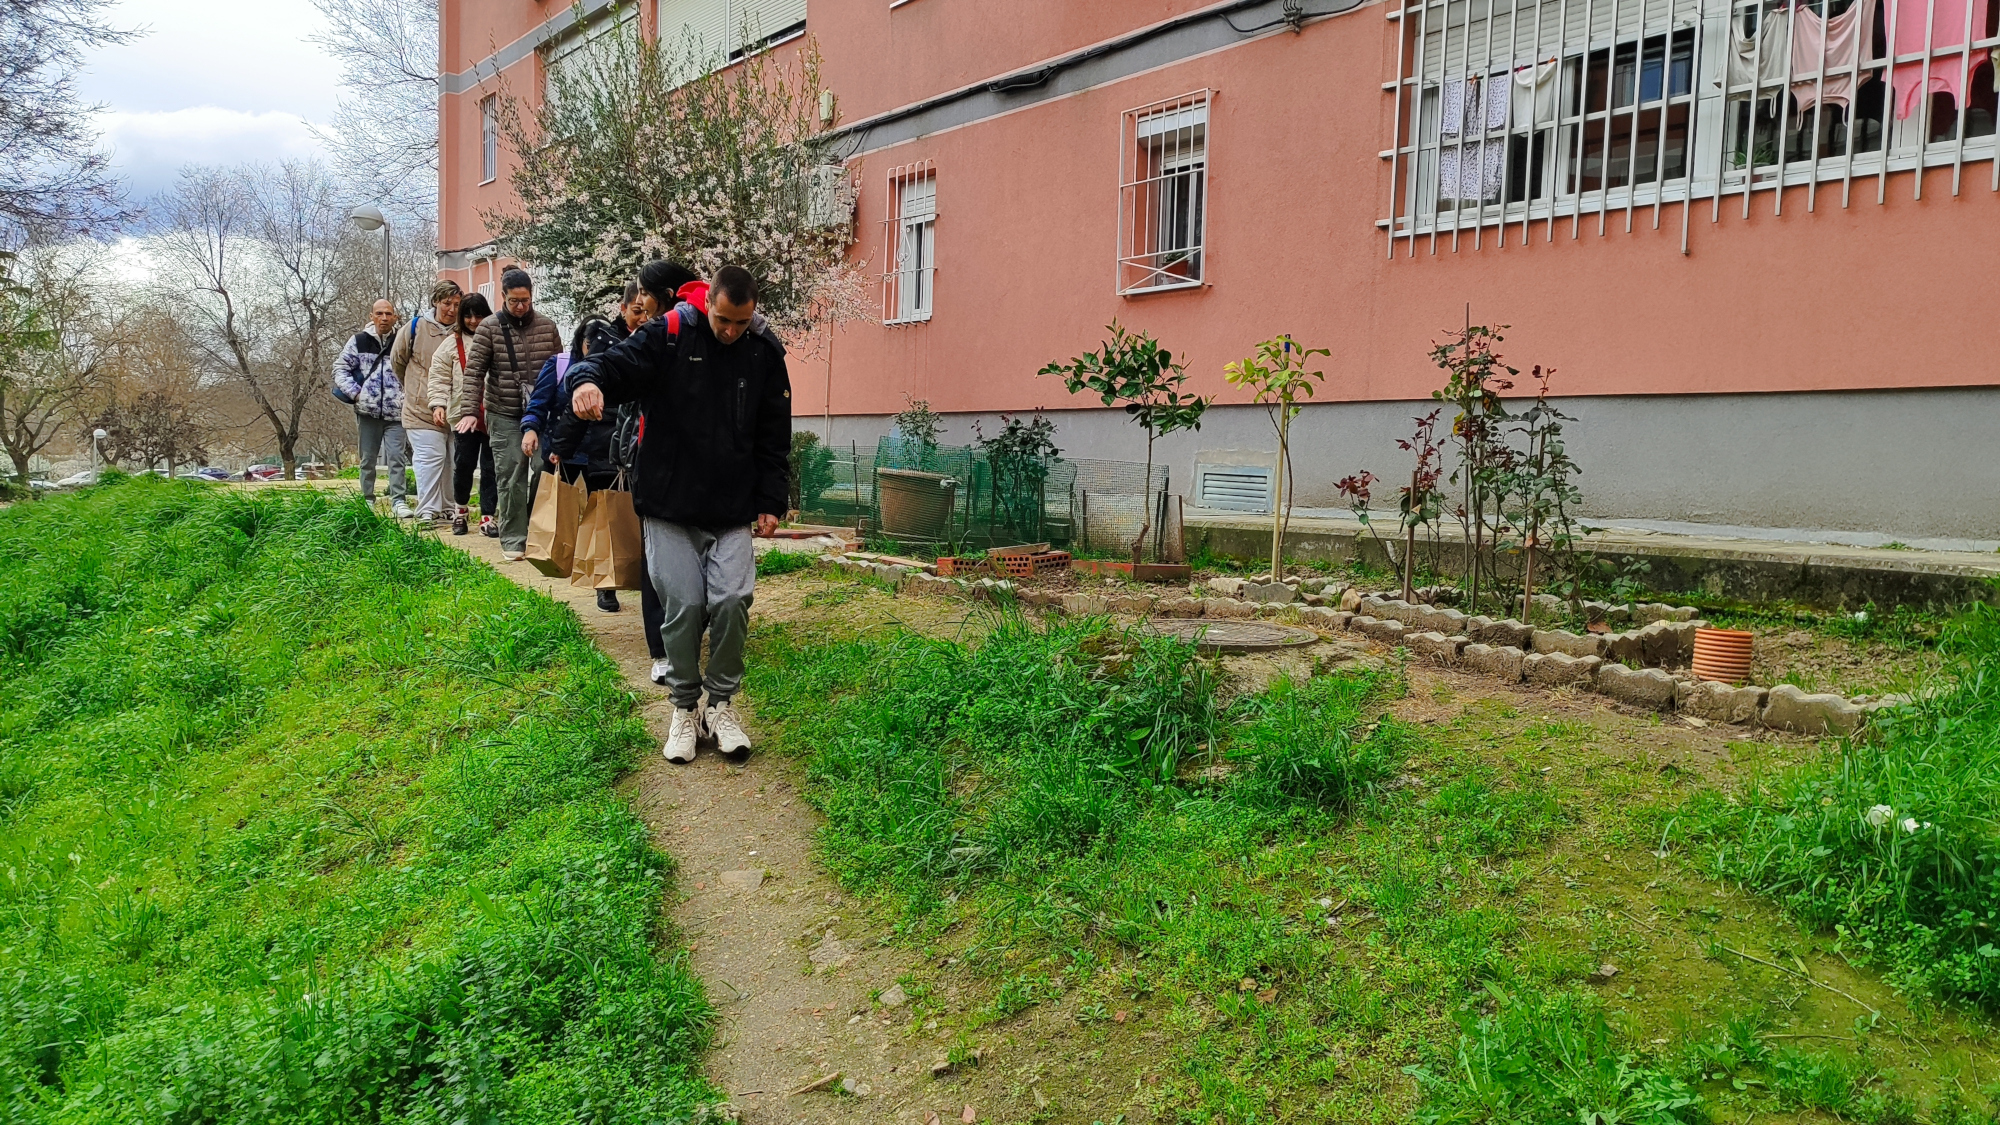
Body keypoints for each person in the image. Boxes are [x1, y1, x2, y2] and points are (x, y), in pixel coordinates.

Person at [568, 265, 790, 764]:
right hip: (668, 503)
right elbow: (611, 366)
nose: (730, 331)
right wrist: (586, 381)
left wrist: (771, 500)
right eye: (722, 320)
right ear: (707, 302)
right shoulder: (669, 333)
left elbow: (774, 434)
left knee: (732, 600)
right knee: (685, 606)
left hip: (731, 507)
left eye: (741, 322)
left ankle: (721, 705)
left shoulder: (763, 350)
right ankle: (684, 708)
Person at [523, 315, 625, 611]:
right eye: (591, 345)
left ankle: (605, 587)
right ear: (582, 342)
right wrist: (532, 429)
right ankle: (555, 559)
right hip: (565, 453)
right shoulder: (560, 365)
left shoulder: (616, 369)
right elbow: (540, 403)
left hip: (602, 454)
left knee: (604, 521)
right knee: (558, 511)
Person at [462, 268, 562, 560]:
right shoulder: (489, 328)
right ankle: (514, 538)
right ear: (503, 297)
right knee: (511, 474)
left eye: (525, 300)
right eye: (514, 301)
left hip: (541, 413)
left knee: (544, 469)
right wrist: (470, 411)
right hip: (503, 411)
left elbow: (561, 370)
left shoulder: (547, 327)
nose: (520, 306)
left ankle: (536, 528)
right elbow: (474, 372)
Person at [333, 298, 411, 517]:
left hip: (396, 412)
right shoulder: (358, 341)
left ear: (395, 317)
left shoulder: (402, 340)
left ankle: (398, 501)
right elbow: (340, 368)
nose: (384, 318)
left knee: (397, 458)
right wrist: (357, 394)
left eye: (388, 314)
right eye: (379, 313)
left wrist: (406, 396)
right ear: (372, 316)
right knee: (367, 459)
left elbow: (414, 369)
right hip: (368, 412)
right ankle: (367, 499)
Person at [429, 292, 498, 536]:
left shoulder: (497, 339)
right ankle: (460, 512)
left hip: (494, 414)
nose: (473, 321)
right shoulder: (450, 344)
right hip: (462, 415)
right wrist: (438, 404)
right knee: (463, 466)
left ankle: (488, 517)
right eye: (468, 316)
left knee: (491, 468)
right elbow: (439, 376)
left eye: (478, 315)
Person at [393, 280, 462, 522]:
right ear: (435, 302)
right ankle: (428, 510)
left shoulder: (463, 330)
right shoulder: (415, 328)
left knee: (452, 461)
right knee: (430, 458)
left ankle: (448, 507)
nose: (452, 309)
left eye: (457, 304)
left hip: (456, 410)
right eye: (447, 303)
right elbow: (397, 361)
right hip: (420, 410)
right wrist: (416, 388)